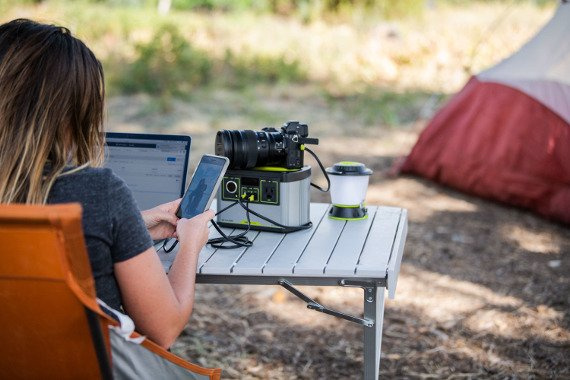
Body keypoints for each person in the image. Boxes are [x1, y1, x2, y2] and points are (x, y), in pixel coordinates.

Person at [0, 18, 213, 349]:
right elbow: (164, 328)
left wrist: (132, 225)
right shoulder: (97, 193)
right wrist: (190, 244)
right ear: (72, 113)